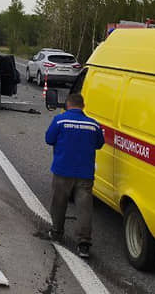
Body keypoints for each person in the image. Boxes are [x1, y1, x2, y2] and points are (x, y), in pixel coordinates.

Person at [44, 93, 104, 258]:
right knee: (84, 208)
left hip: (63, 170)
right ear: (83, 106)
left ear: (67, 105)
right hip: (85, 173)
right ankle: (84, 243)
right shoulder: (93, 125)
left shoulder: (60, 120)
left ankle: (56, 232)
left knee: (59, 203)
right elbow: (100, 144)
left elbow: (49, 139)